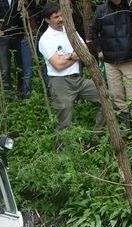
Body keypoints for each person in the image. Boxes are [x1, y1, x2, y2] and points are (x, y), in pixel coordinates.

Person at [90, 0, 132, 130]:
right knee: (116, 95)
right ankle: (127, 126)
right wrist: (99, 50)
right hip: (110, 61)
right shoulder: (101, 10)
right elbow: (93, 31)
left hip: (129, 58)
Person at [38, 3, 103, 133]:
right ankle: (62, 151)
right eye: (56, 17)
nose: (60, 19)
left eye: (62, 15)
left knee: (108, 97)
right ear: (47, 20)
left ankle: (96, 133)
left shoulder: (70, 31)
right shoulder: (46, 39)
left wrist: (71, 56)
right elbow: (58, 65)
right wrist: (74, 57)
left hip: (78, 79)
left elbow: (85, 50)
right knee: (64, 122)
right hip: (60, 83)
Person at [0, 0, 34, 98]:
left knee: (21, 66)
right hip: (2, 36)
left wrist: (25, 8)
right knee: (5, 69)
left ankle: (21, 94)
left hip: (19, 35)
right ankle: (7, 96)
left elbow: (31, 12)